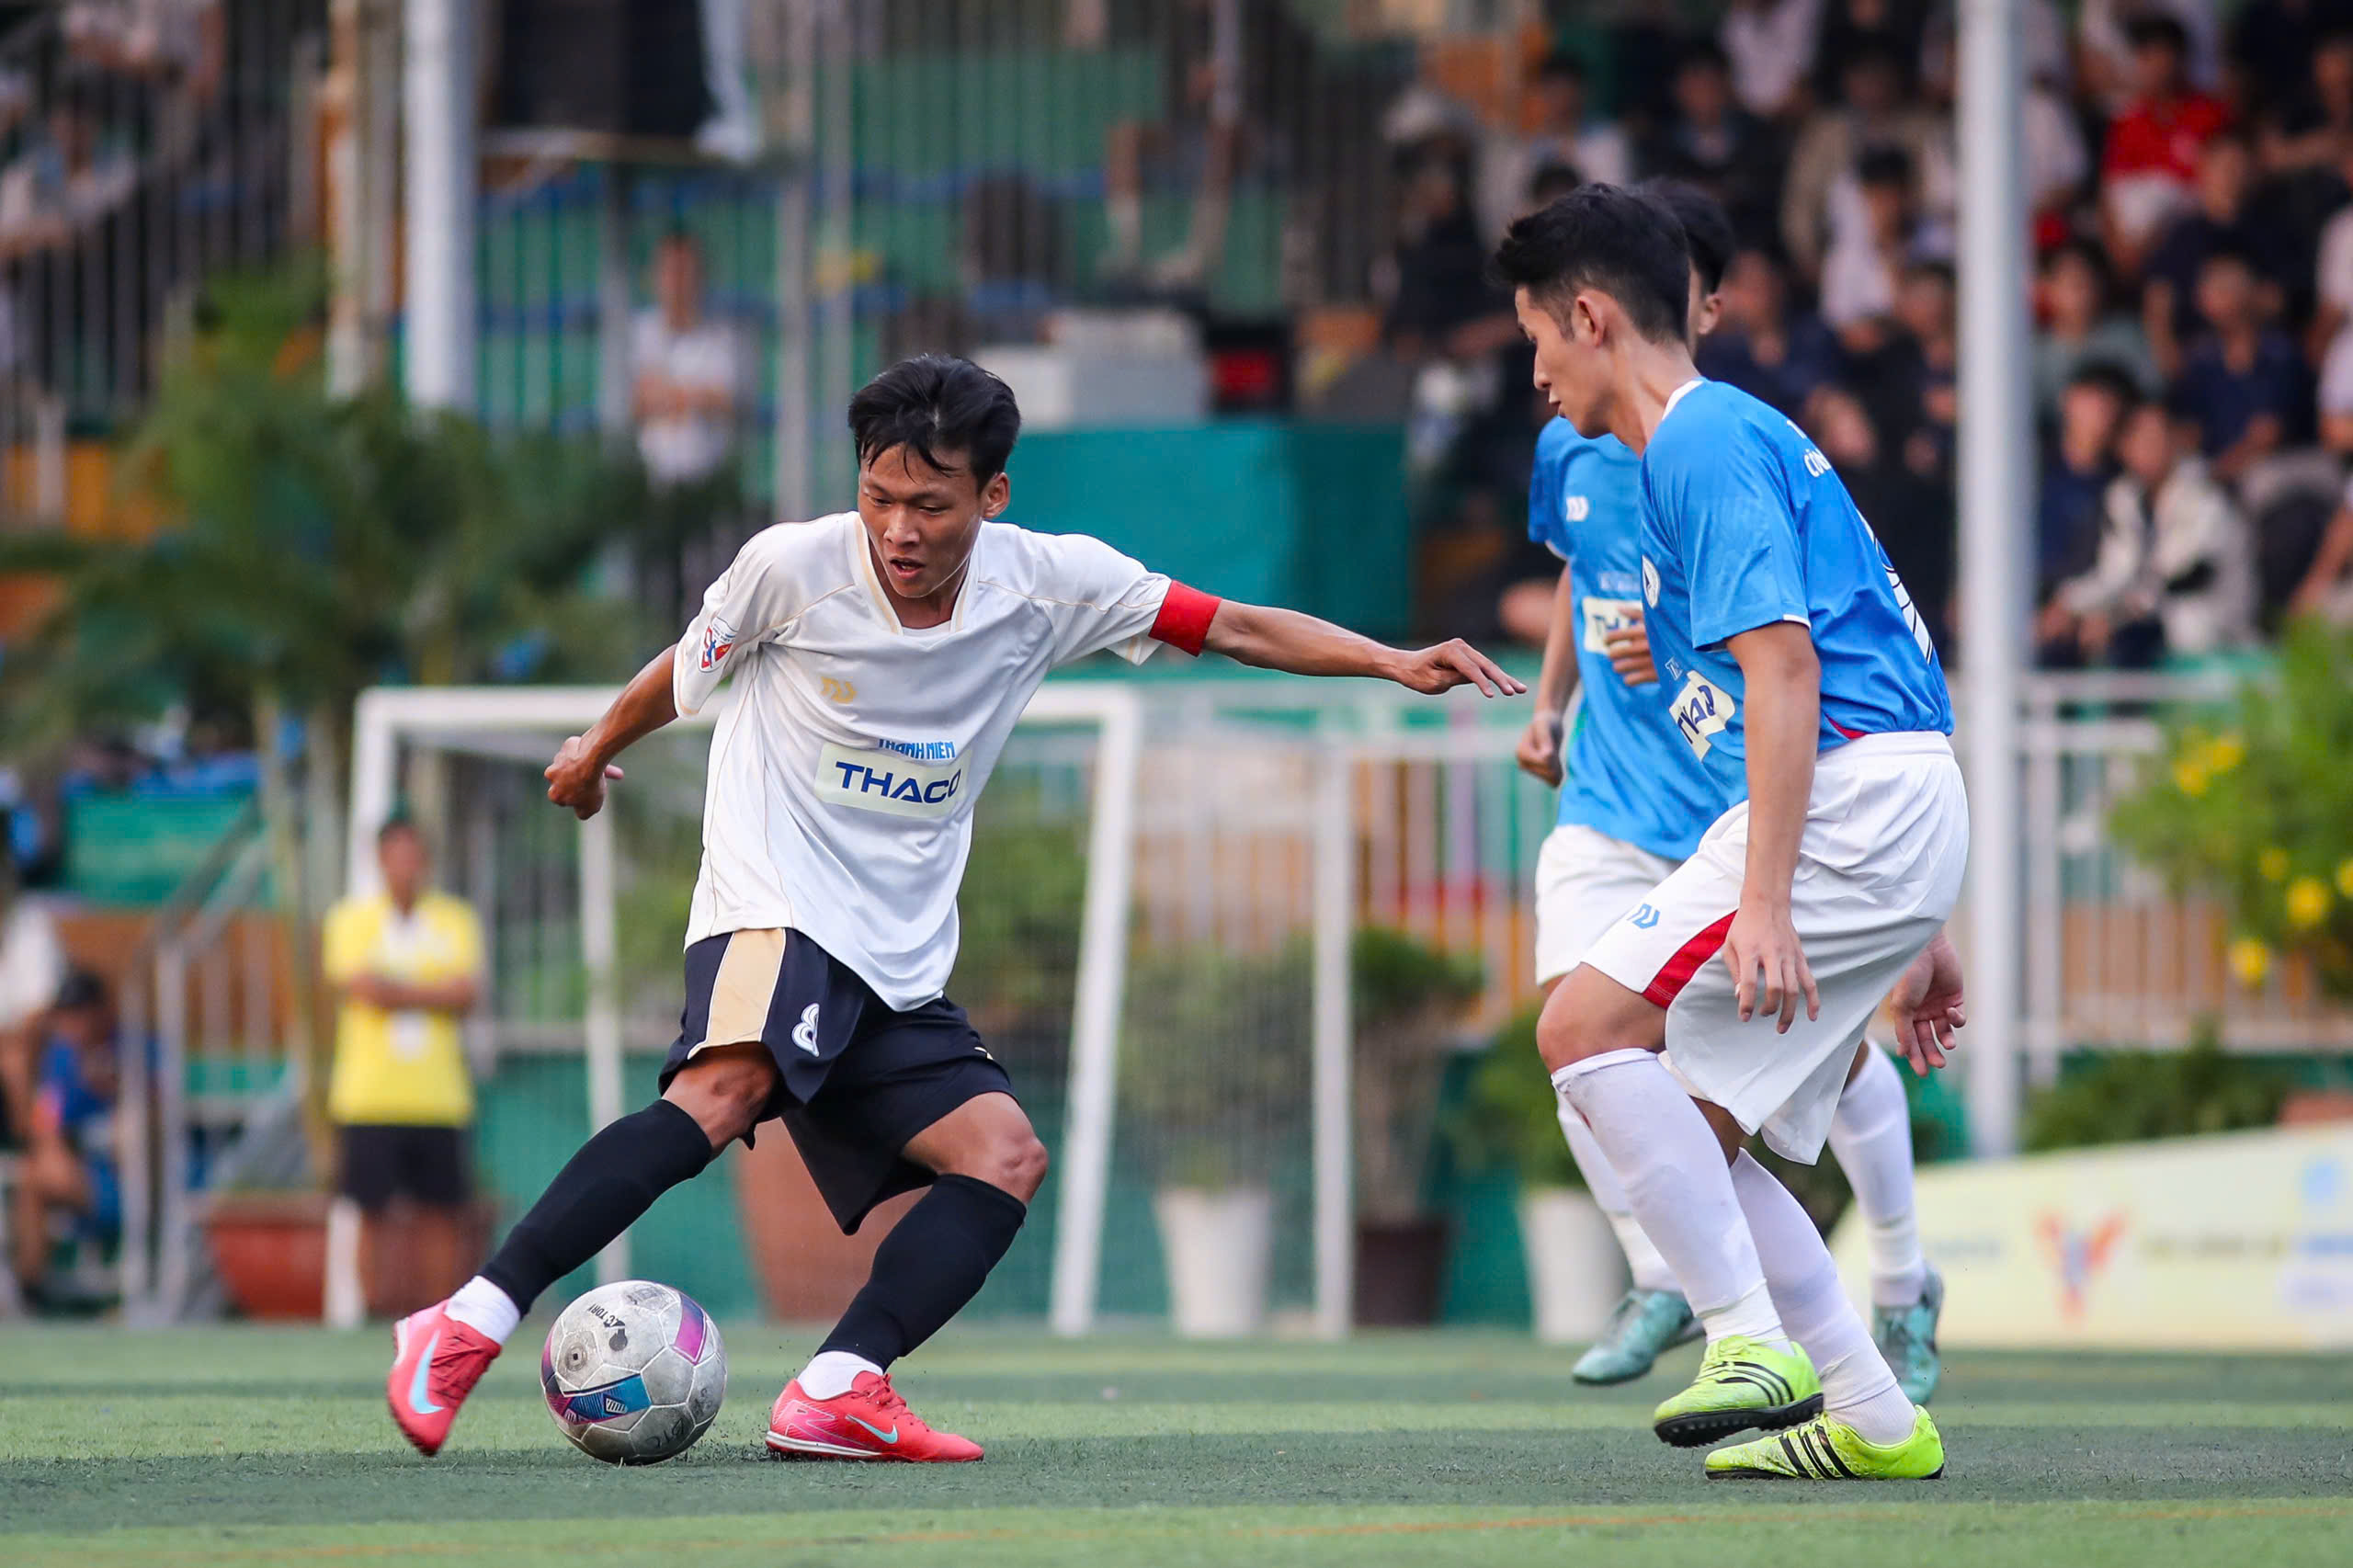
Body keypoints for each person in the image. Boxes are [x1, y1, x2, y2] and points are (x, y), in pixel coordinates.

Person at [385, 353, 1524, 1462]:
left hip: (895, 954)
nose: (899, 529)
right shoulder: (791, 566)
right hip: (773, 901)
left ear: (992, 494)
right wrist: (588, 753)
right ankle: (468, 1319)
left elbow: (1224, 624)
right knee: (724, 1089)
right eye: (879, 497)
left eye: (929, 504)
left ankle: (837, 1386)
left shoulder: (1050, 581)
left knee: (1001, 1152)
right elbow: (681, 668)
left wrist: (1389, 660)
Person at [1494, 186, 1966, 1482]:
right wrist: (1924, 922)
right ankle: (1874, 1417)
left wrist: (1765, 900)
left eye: (1538, 337)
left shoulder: (1699, 442)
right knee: (1683, 1122)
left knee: (1582, 1031)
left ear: (1592, 317)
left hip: (1855, 799)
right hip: (1888, 797)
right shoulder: (1712, 444)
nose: (1535, 373)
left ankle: (1749, 1339)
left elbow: (1792, 672)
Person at [323, 817, 485, 1326]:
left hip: (439, 1096)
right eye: (395, 854)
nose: (405, 865)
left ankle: (439, 1317)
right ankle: (374, 1312)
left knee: (442, 1213)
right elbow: (360, 987)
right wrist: (429, 989)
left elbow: (464, 992)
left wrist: (395, 990)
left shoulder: (456, 919)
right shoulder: (351, 919)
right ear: (379, 860)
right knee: (369, 1211)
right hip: (369, 1096)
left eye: (413, 854)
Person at [2040, 398, 2256, 665]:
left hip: (2208, 628)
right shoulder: (2123, 498)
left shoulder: (2208, 495)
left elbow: (2181, 578)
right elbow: (2116, 572)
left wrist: (2115, 615)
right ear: (2123, 447)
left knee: (2127, 641)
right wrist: (2067, 604)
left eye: (2155, 436)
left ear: (2177, 438)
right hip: (2144, 617)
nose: (2146, 447)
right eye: (2136, 438)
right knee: (2059, 639)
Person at [8, 970, 122, 1303]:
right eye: (66, 1015)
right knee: (33, 1176)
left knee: (35, 1176)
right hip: (87, 1177)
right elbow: (48, 1119)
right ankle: (29, 1287)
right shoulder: (62, 1057)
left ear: (101, 1011)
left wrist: (116, 1087)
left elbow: (152, 1116)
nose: (71, 1024)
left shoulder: (134, 1048)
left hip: (134, 1184)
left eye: (79, 1013)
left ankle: (27, 1287)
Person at [2100, 14, 2233, 276]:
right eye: (2145, 57)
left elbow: (2218, 193)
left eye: (2160, 56)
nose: (2154, 67)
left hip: (2193, 238)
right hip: (2132, 245)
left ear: (2180, 59)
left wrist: (2157, 238)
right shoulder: (2128, 121)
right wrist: (2117, 247)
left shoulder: (2210, 115)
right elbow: (2108, 191)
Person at [2171, 248, 2311, 485]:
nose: (2211, 295)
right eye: (2208, 287)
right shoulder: (2201, 359)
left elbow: (2268, 435)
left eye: (2224, 287)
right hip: (2214, 473)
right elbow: (2190, 428)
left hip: (2280, 470)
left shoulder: (2280, 353)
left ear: (2253, 291)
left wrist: (2216, 477)